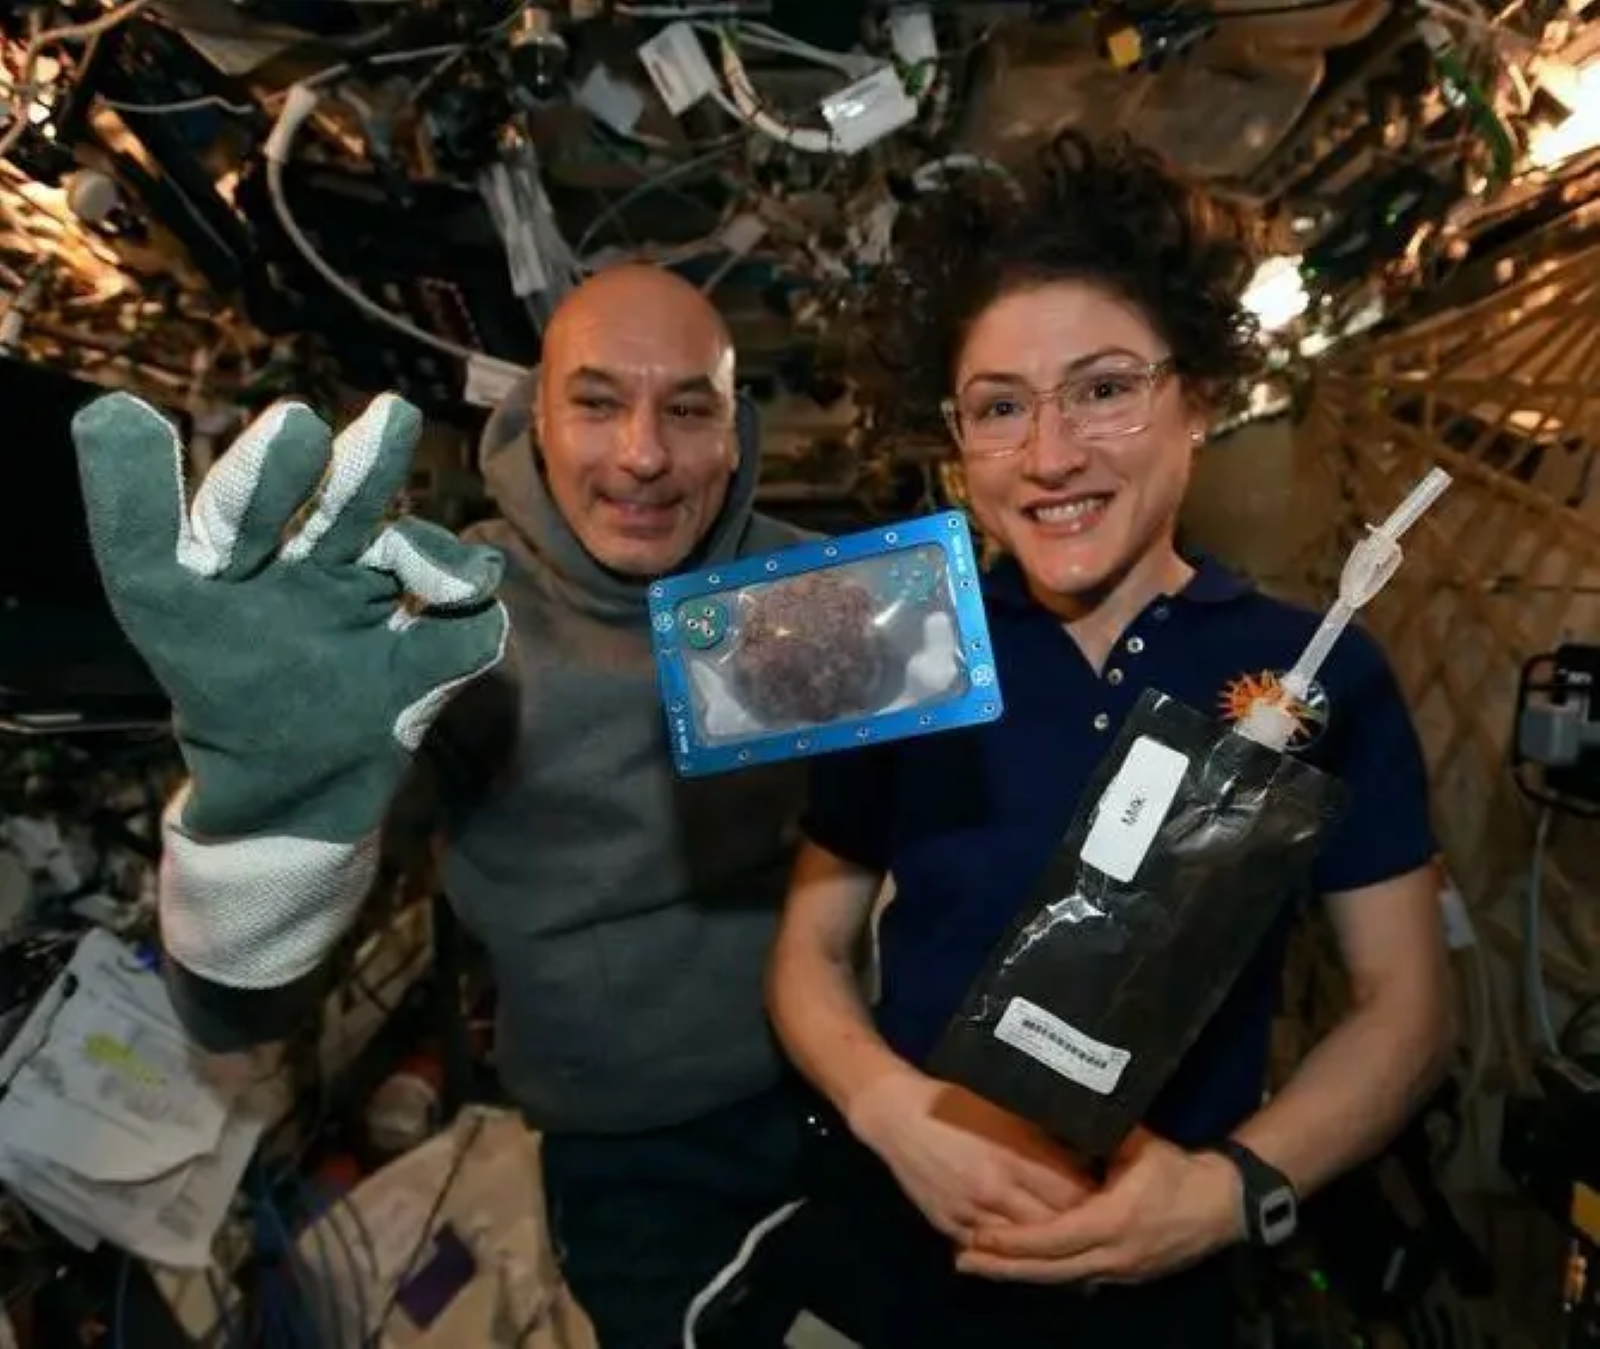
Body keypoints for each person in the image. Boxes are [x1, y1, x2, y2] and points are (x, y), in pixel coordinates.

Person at [712, 133, 1454, 1346]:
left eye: (1104, 388)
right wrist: (890, 1110)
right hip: (894, 1255)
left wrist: (1226, 1190)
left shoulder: (1318, 671)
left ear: (1197, 397)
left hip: (1161, 1287)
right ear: (957, 438)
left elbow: (1406, 1008)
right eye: (1000, 406)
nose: (1051, 454)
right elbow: (809, 949)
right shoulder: (903, 641)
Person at [71, 264, 811, 1349]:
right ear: (536, 420)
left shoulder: (814, 588)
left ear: (736, 435)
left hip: (855, 1080)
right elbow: (235, 1017)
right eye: (597, 403)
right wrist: (265, 814)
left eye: (689, 410)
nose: (643, 454)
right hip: (630, 1148)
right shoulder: (448, 623)